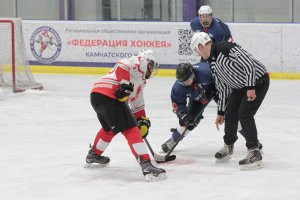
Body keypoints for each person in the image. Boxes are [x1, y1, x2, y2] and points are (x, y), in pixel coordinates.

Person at [190, 32, 269, 170]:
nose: (198, 54)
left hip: (257, 81)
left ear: (201, 46)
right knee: (230, 113)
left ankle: (254, 151)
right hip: (240, 87)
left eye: (197, 51)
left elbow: (249, 64)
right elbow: (223, 87)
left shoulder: (225, 48)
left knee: (245, 114)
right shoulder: (212, 62)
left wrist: (251, 87)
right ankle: (228, 146)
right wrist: (220, 112)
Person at [85, 50, 167, 181]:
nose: (151, 70)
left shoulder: (140, 83)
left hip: (97, 96)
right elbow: (121, 65)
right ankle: (146, 164)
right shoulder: (137, 62)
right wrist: (124, 85)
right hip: (108, 95)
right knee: (130, 128)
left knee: (109, 129)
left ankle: (94, 154)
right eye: (151, 65)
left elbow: (138, 105)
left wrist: (142, 121)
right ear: (146, 61)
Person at [161, 62, 216, 153]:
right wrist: (183, 116)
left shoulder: (206, 71)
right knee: (189, 121)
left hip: (219, 91)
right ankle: (174, 140)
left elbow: (225, 77)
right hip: (198, 98)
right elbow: (178, 104)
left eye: (186, 80)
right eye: (182, 81)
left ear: (192, 74)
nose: (184, 83)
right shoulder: (178, 87)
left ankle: (249, 139)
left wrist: (217, 88)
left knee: (233, 115)